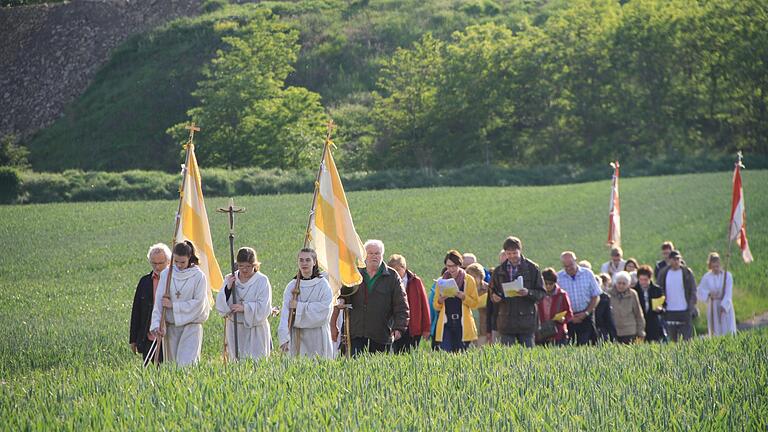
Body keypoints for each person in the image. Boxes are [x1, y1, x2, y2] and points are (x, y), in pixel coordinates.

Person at [335, 239, 409, 356]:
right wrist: (342, 299)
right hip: (356, 334)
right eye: (370, 253)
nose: (374, 256)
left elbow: (401, 305)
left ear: (382, 255)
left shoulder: (392, 276)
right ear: (364, 255)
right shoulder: (355, 274)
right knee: (355, 370)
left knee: (377, 370)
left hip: (381, 335)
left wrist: (399, 328)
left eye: (377, 253)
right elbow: (343, 294)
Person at [150, 241, 211, 366]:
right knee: (172, 365)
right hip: (171, 327)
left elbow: (199, 304)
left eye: (182, 262)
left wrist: (174, 306)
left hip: (191, 327)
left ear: (190, 258)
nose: (179, 265)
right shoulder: (167, 274)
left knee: (187, 365)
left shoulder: (198, 276)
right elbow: (159, 303)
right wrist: (157, 325)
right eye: (176, 261)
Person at [214, 247, 273, 360]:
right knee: (237, 363)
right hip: (235, 329)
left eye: (248, 267)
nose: (244, 270)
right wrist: (228, 288)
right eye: (241, 266)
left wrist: (245, 308)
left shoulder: (261, 281)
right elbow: (221, 306)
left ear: (254, 265)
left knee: (256, 362)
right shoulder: (230, 278)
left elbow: (264, 307)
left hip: (255, 331)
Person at [488, 237, 545, 348]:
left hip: (527, 322)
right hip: (506, 322)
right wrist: (494, 297)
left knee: (529, 359)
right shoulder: (498, 271)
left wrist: (528, 293)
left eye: (515, 253)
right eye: (509, 253)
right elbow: (491, 291)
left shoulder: (533, 269)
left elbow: (541, 293)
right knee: (508, 359)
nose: (512, 256)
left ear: (520, 250)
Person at [277, 248, 334, 358]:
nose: (304, 263)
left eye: (308, 260)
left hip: (318, 337)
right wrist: (284, 337)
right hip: (297, 336)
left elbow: (324, 311)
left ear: (314, 262)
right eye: (301, 260)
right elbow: (285, 314)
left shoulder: (323, 285)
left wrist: (298, 307)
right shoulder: (292, 286)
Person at [129, 243, 171, 362]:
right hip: (148, 337)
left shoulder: (173, 280)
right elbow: (136, 310)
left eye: (160, 263)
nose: (157, 267)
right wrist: (133, 339)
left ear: (168, 261)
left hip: (168, 337)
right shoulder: (144, 282)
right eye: (154, 263)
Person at [434, 250, 479, 351]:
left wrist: (464, 297)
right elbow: (436, 306)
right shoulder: (441, 281)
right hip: (446, 323)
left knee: (461, 354)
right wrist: (440, 300)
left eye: (454, 266)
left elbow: (475, 303)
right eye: (448, 266)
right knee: (445, 353)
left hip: (462, 323)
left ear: (459, 264)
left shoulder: (468, 280)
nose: (451, 269)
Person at [388, 254, 431, 353]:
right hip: (395, 325)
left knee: (410, 354)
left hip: (413, 328)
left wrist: (426, 328)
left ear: (404, 268)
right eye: (392, 269)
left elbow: (424, 305)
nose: (396, 272)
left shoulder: (415, 282)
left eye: (398, 269)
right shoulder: (388, 283)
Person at [557, 251, 601, 345]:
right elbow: (558, 301)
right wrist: (570, 317)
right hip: (568, 319)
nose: (569, 268)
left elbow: (596, 296)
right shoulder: (559, 277)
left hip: (586, 316)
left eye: (570, 265)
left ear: (576, 261)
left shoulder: (588, 274)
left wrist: (586, 313)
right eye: (566, 266)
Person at [657, 250, 697, 342]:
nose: (676, 261)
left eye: (678, 259)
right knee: (671, 339)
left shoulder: (687, 273)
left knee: (687, 340)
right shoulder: (663, 273)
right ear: (669, 260)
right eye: (674, 259)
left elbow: (693, 290)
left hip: (684, 310)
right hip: (669, 311)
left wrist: (692, 305)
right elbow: (658, 290)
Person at [697, 252, 737, 337]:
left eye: (717, 266)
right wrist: (709, 294)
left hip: (725, 306)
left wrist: (724, 305)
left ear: (720, 264)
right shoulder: (707, 277)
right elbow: (700, 290)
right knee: (715, 330)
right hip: (713, 305)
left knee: (727, 329)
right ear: (710, 266)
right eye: (713, 266)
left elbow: (728, 292)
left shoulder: (727, 276)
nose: (716, 268)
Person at [536, 268, 573, 346]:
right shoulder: (537, 294)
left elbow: (569, 314)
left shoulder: (562, 295)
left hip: (558, 333)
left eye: (551, 283)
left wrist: (563, 319)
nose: (548, 286)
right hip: (540, 333)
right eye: (546, 283)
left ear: (555, 283)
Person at [609, 271, 645, 344]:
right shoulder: (609, 294)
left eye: (624, 284)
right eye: (619, 283)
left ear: (628, 284)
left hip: (629, 331)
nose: (621, 286)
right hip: (613, 330)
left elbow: (638, 314)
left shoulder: (633, 294)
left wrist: (641, 332)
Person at [633, 265, 666, 342]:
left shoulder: (657, 290)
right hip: (639, 323)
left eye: (645, 280)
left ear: (650, 278)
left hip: (653, 322)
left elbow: (664, 305)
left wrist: (660, 309)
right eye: (641, 279)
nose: (643, 282)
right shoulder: (634, 290)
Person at [465, 263, 490, 346]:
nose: (472, 279)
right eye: (470, 277)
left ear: (481, 277)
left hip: (483, 327)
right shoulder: (464, 289)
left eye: (475, 277)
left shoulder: (488, 289)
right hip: (468, 327)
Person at [594, 273, 617, 342]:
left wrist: (613, 336)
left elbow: (608, 318)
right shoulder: (583, 298)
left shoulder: (605, 298)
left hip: (601, 331)